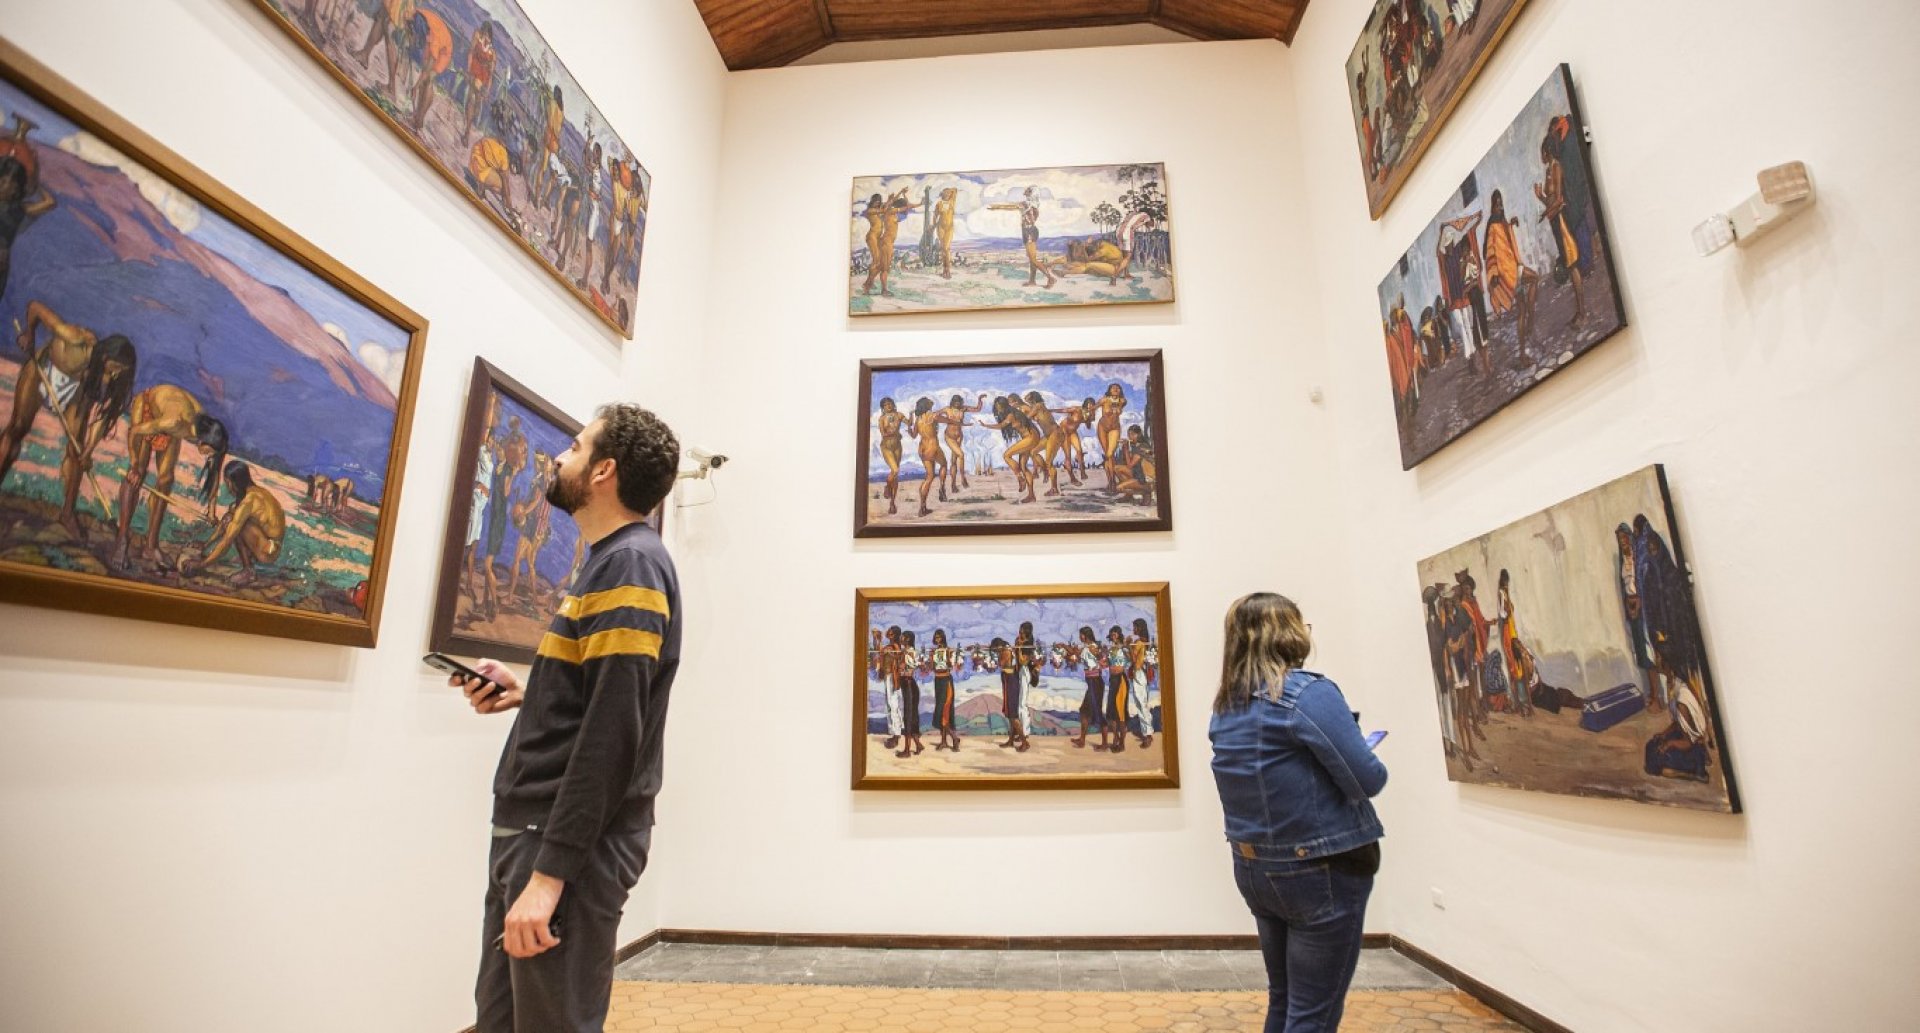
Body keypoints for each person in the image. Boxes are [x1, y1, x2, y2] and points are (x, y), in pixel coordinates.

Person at [446, 403, 682, 1033]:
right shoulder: (609, 560)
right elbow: (597, 696)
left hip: (562, 843)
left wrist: (551, 877)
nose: (558, 457)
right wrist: (529, 692)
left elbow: (613, 733)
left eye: (575, 448)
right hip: (533, 831)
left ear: (604, 471)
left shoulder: (630, 563)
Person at [1209, 593, 1387, 1033]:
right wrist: (1361, 749)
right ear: (1290, 632)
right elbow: (1368, 779)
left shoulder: (1227, 707)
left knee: (1286, 1000)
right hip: (1318, 868)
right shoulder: (1308, 693)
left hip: (1256, 867)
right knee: (1313, 1013)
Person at [0, 301, 138, 540]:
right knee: (17, 428)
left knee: (77, 452)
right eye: (114, 368)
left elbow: (103, 417)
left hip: (75, 391)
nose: (114, 375)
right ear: (105, 356)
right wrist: (29, 334)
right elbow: (34, 307)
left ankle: (67, 513)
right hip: (44, 371)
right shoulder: (75, 338)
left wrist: (89, 451)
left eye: (118, 372)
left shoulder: (100, 375)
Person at [113, 384, 229, 568]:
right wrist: (134, 463)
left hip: (168, 423)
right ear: (204, 442)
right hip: (148, 411)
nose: (209, 457)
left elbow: (214, 470)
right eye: (210, 452)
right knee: (137, 474)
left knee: (166, 479)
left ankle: (151, 545)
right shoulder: (175, 422)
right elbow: (134, 431)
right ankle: (121, 540)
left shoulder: (203, 425)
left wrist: (212, 510)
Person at [179, 460, 284, 582]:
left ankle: (248, 571)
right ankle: (248, 560)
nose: (228, 487)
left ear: (233, 482)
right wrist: (206, 544)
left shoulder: (249, 501)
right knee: (231, 516)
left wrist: (201, 564)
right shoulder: (254, 492)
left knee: (236, 524)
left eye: (227, 482)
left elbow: (227, 540)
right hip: (268, 543)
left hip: (270, 551)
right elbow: (227, 521)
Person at [987, 186, 1057, 289]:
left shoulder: (1026, 204)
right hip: (1031, 231)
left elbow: (1010, 207)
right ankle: (1032, 281)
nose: (1025, 192)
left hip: (1028, 232)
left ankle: (1050, 277)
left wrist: (995, 207)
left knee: (1033, 259)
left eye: (1028, 191)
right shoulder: (1035, 205)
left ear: (1031, 194)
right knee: (1032, 258)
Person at [1069, 626, 1109, 750]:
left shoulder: (1092, 647)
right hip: (1091, 682)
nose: (1080, 637)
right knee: (1084, 710)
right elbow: (1077, 654)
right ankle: (1082, 739)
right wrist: (1065, 648)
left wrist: (1099, 655)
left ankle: (1105, 743)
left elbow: (1103, 660)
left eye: (1081, 634)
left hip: (1095, 682)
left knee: (1097, 712)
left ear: (1086, 635)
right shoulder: (1086, 648)